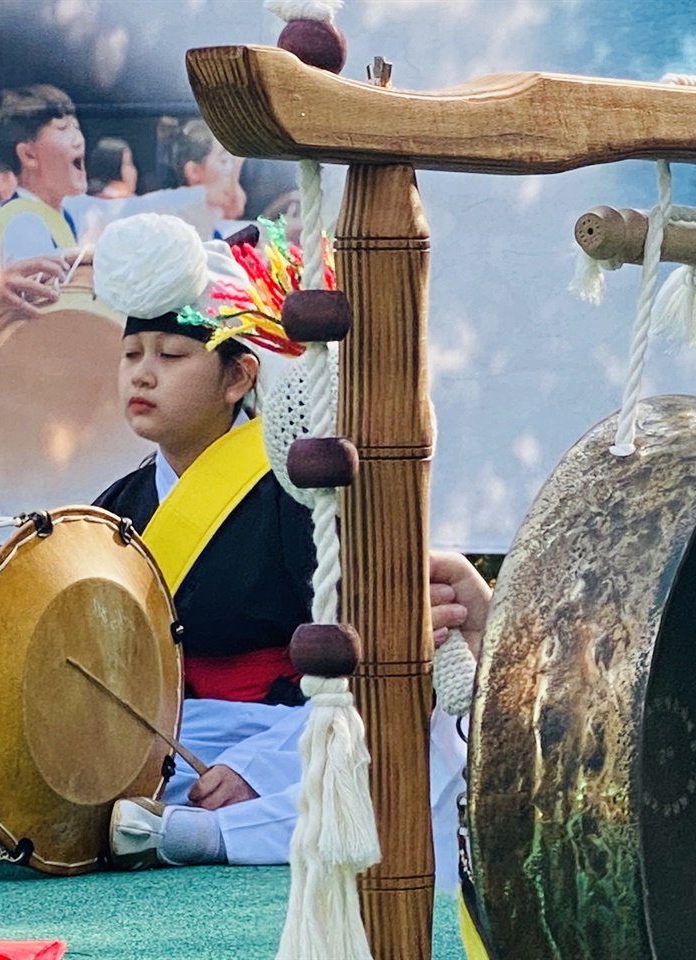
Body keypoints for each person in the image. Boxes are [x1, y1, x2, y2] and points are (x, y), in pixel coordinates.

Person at [86, 213, 465, 886]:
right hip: (174, 735)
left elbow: (357, 650)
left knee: (395, 755)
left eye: (170, 357)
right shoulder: (114, 507)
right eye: (130, 355)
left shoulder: (298, 484)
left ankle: (209, 835)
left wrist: (258, 764)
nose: (142, 375)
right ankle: (174, 820)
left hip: (284, 726)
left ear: (239, 378)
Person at [0, 85, 227, 283]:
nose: (78, 140)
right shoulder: (20, 222)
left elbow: (136, 209)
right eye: (63, 129)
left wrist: (203, 196)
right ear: (29, 155)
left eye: (77, 128)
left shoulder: (70, 211)